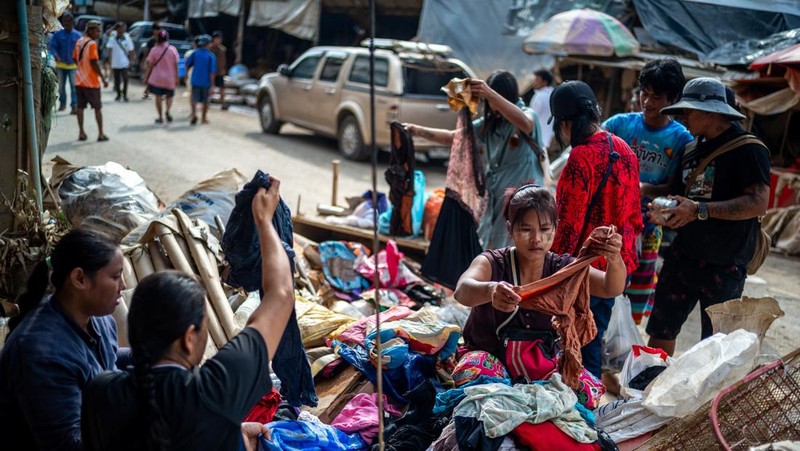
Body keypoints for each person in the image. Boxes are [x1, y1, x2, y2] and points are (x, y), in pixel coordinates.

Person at [82, 178, 295, 450]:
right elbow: (281, 293)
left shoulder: (101, 392)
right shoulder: (216, 389)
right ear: (188, 338)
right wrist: (264, 221)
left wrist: (231, 433)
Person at [646, 77, 770, 356]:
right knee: (661, 329)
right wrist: (657, 200)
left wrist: (700, 210)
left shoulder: (749, 149)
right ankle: (648, 388)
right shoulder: (691, 148)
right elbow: (679, 192)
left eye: (688, 110)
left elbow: (758, 202)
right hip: (683, 256)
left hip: (725, 264)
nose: (683, 117)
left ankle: (704, 401)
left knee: (714, 346)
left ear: (712, 112)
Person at [454, 185, 626, 386]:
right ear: (510, 229)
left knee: (588, 390)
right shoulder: (493, 263)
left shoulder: (564, 269)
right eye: (526, 229)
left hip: (541, 365)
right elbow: (462, 291)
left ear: (555, 228)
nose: (536, 239)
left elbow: (610, 287)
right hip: (491, 360)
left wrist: (614, 258)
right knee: (479, 375)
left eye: (544, 229)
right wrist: (490, 290)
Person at [0, 229, 128, 450]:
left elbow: (108, 359)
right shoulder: (40, 354)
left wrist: (157, 358)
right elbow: (69, 445)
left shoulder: (98, 319)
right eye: (115, 276)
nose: (123, 286)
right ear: (79, 279)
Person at [548, 80, 643, 378]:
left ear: (566, 123)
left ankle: (582, 404)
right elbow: (634, 216)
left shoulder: (580, 157)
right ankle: (589, 396)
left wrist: (553, 268)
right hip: (615, 268)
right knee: (595, 335)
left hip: (585, 273)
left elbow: (568, 225)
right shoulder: (624, 149)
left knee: (579, 342)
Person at [404, 71, 545, 249]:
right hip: (496, 202)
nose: (492, 106)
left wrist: (489, 93)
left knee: (517, 250)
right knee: (492, 249)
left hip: (522, 206)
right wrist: (416, 131)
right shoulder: (490, 123)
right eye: (488, 101)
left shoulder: (526, 114)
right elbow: (453, 137)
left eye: (493, 99)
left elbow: (526, 123)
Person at [602, 58, 694, 325]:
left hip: (650, 225)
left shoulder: (681, 140)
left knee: (638, 289)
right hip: (611, 222)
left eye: (657, 97)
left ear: (674, 98)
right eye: (644, 93)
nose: (647, 102)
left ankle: (625, 345)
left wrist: (648, 189)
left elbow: (679, 187)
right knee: (604, 281)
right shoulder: (618, 125)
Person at [74, 20, 109, 142]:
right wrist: (103, 78)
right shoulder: (92, 44)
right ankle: (100, 133)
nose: (99, 33)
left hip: (79, 81)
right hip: (91, 82)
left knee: (80, 107)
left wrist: (82, 69)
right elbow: (94, 62)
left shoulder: (79, 41)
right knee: (97, 108)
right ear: (90, 30)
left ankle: (81, 132)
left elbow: (75, 59)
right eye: (97, 30)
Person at [143, 29, 180, 124]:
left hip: (157, 78)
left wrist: (146, 77)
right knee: (169, 96)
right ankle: (167, 110)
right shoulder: (172, 49)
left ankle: (160, 117)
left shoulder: (154, 50)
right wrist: (177, 77)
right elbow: (176, 65)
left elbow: (149, 65)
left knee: (158, 97)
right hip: (169, 79)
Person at [49, 13, 83, 114]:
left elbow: (81, 50)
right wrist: (55, 55)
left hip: (73, 66)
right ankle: (62, 104)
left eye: (68, 21)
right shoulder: (57, 35)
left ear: (73, 22)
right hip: (60, 65)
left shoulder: (78, 36)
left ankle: (74, 106)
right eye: (64, 21)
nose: (66, 23)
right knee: (61, 87)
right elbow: (52, 47)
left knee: (74, 87)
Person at [186, 34, 216, 125]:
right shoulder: (211, 56)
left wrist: (187, 75)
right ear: (207, 44)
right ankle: (203, 118)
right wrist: (212, 84)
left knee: (194, 99)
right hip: (206, 82)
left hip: (195, 80)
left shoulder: (195, 53)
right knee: (205, 101)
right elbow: (212, 72)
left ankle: (194, 114)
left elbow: (187, 65)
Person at [107, 21, 134, 102]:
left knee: (126, 78)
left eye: (123, 28)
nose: (122, 29)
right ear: (117, 29)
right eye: (120, 28)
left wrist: (132, 60)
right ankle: (118, 94)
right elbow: (109, 47)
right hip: (115, 62)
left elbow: (131, 49)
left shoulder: (127, 37)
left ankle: (125, 95)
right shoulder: (113, 36)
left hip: (124, 62)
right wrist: (110, 59)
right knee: (117, 80)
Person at [529, 69, 555, 150]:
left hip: (535, 140)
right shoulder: (554, 95)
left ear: (544, 82)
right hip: (548, 140)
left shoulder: (539, 97)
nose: (534, 82)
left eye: (537, 79)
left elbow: (530, 118)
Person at [141, 23, 162, 99]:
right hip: (151, 62)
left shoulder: (162, 40)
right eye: (156, 30)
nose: (157, 31)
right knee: (150, 77)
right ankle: (147, 91)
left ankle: (159, 93)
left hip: (160, 62)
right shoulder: (151, 41)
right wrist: (144, 62)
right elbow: (146, 52)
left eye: (158, 30)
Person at [209, 30, 228, 110]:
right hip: (211, 71)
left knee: (221, 88)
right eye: (216, 38)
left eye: (219, 39)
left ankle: (222, 103)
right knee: (210, 86)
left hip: (220, 71)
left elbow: (224, 61)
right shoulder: (209, 48)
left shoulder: (223, 49)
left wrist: (224, 70)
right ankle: (207, 102)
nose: (218, 40)